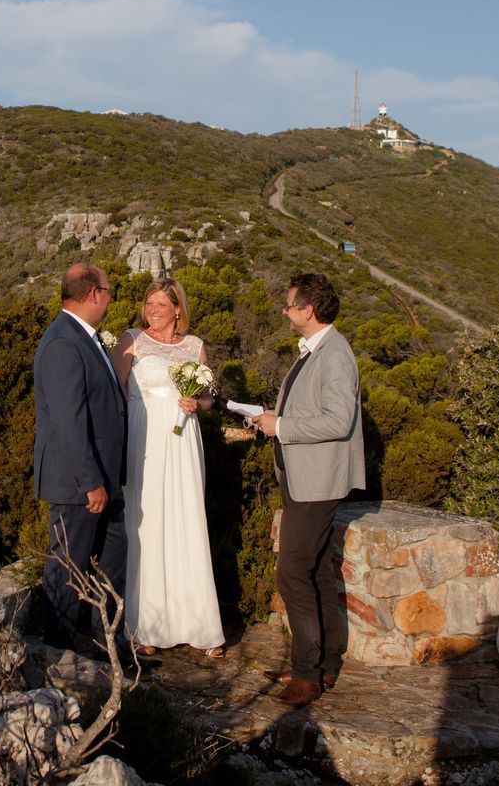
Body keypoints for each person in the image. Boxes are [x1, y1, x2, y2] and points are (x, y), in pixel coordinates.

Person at [250, 272, 364, 706]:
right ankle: (326, 664)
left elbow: (338, 420)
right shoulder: (317, 350)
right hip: (303, 478)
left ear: (308, 311)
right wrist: (269, 417)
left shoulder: (334, 354)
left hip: (317, 482)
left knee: (292, 572)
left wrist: (281, 426)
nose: (284, 310)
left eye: (289, 304)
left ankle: (306, 675)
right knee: (314, 571)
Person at [114, 276, 226, 658]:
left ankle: (199, 625)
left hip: (183, 440)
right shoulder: (131, 340)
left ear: (178, 309)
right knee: (146, 524)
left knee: (186, 520)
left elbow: (209, 398)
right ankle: (145, 626)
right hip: (144, 438)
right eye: (149, 304)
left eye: (161, 305)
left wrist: (199, 404)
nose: (153, 311)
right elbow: (115, 391)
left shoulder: (194, 347)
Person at [31, 262, 130, 657]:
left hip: (106, 478)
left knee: (109, 564)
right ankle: (56, 653)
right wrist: (89, 481)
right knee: (68, 568)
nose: (109, 297)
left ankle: (105, 646)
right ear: (93, 295)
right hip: (81, 484)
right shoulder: (63, 343)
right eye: (108, 291)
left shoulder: (84, 338)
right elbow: (68, 420)